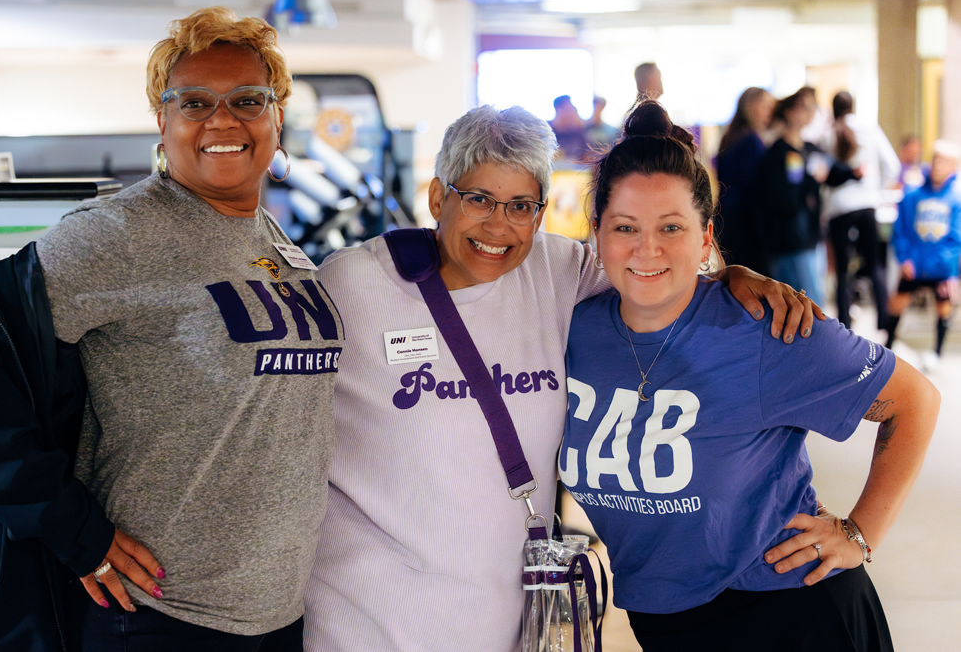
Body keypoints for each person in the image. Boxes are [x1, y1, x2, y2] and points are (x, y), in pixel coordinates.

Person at [303, 104, 818, 651]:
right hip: (367, 620)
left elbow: (652, 269)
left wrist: (728, 273)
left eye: (521, 205)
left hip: (505, 622)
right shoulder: (354, 283)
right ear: (437, 198)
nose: (498, 225)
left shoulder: (557, 273)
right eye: (478, 198)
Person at [0, 7, 343, 652]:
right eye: (193, 101)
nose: (222, 120)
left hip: (273, 612)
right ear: (162, 123)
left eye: (248, 100)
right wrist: (70, 527)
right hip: (159, 616)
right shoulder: (119, 233)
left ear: (277, 117)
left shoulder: (270, 238)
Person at [561, 100, 939, 651]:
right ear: (596, 231)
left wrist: (860, 533)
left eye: (672, 226)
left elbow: (916, 401)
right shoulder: (575, 331)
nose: (648, 248)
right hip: (662, 622)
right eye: (625, 227)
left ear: (707, 235)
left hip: (790, 615)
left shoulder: (763, 328)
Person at [820, 91, 900, 331]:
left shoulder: (827, 135)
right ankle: (883, 317)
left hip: (838, 208)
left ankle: (844, 320)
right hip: (867, 204)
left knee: (843, 268)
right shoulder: (869, 129)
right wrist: (877, 189)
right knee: (875, 263)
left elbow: (823, 175)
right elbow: (892, 165)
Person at [885, 139, 961, 373]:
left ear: (953, 167)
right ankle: (886, 348)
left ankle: (936, 352)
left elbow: (955, 239)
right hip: (913, 265)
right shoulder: (912, 195)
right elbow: (901, 230)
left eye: (944, 161)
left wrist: (942, 268)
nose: (938, 165)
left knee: (944, 309)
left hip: (941, 269)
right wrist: (905, 258)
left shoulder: (955, 201)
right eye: (936, 159)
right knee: (896, 306)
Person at [753, 88, 827, 306]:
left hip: (808, 235)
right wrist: (812, 182)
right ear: (790, 112)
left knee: (806, 303)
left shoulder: (809, 148)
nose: (809, 112)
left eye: (812, 107)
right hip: (792, 238)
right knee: (809, 305)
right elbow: (787, 197)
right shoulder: (780, 151)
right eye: (804, 107)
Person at [715, 86, 776, 274]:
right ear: (751, 107)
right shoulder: (750, 140)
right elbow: (755, 186)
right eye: (764, 105)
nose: (769, 112)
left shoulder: (731, 137)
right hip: (745, 221)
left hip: (728, 217)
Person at [549, 94, 591, 161]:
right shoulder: (548, 134)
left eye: (573, 111)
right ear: (558, 110)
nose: (572, 115)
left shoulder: (580, 133)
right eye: (568, 110)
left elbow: (588, 158)